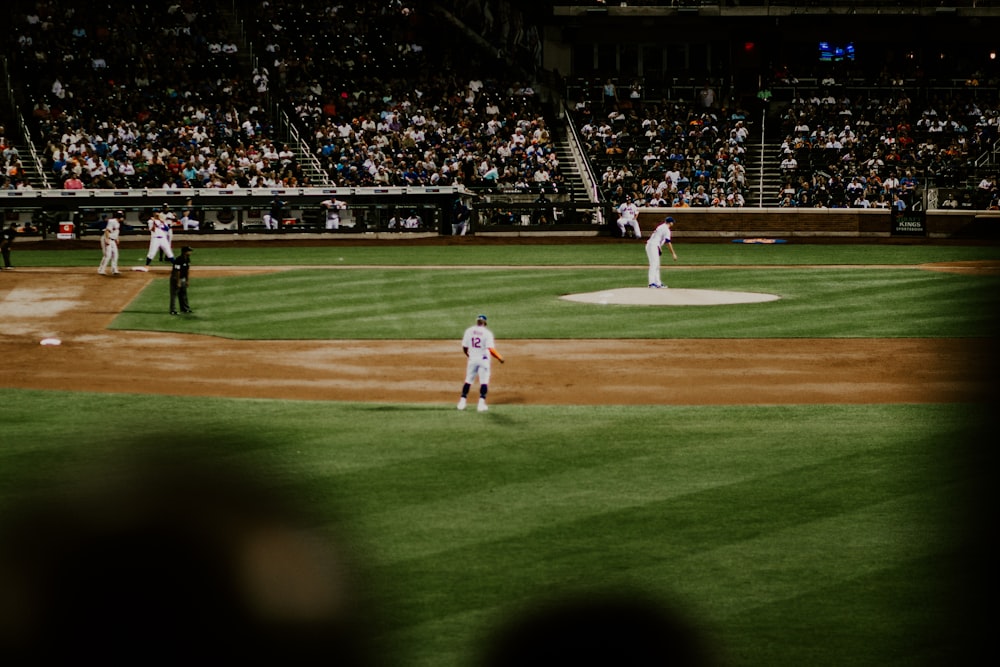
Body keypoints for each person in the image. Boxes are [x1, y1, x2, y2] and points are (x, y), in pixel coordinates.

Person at [458, 314, 504, 413]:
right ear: (485, 323)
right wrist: (499, 357)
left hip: (473, 359)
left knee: (468, 380)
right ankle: (481, 404)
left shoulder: (469, 331)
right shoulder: (487, 333)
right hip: (484, 360)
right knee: (484, 381)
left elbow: (465, 347)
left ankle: (462, 402)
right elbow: (491, 349)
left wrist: (468, 355)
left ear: (477, 321)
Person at [645, 216, 678, 288]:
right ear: (670, 223)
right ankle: (651, 283)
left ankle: (658, 283)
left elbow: (658, 238)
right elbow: (668, 242)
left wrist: (659, 248)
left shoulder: (661, 226)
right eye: (672, 222)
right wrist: (673, 254)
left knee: (656, 264)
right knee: (654, 264)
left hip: (652, 245)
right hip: (653, 246)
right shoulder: (666, 229)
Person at [170, 246, 194, 315]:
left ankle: (185, 309)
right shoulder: (178, 259)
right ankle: (173, 310)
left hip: (183, 278)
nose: (190, 252)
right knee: (174, 295)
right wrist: (178, 282)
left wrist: (187, 280)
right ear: (185, 252)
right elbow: (177, 271)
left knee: (183, 294)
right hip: (176, 278)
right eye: (189, 251)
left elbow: (187, 271)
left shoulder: (187, 259)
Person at [98, 210, 122, 276]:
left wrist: (117, 238)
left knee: (115, 255)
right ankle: (101, 270)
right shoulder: (112, 221)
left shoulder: (118, 223)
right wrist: (107, 239)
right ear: (119, 217)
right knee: (107, 255)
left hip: (113, 240)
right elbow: (107, 231)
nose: (123, 218)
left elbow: (115, 231)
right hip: (107, 239)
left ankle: (114, 270)